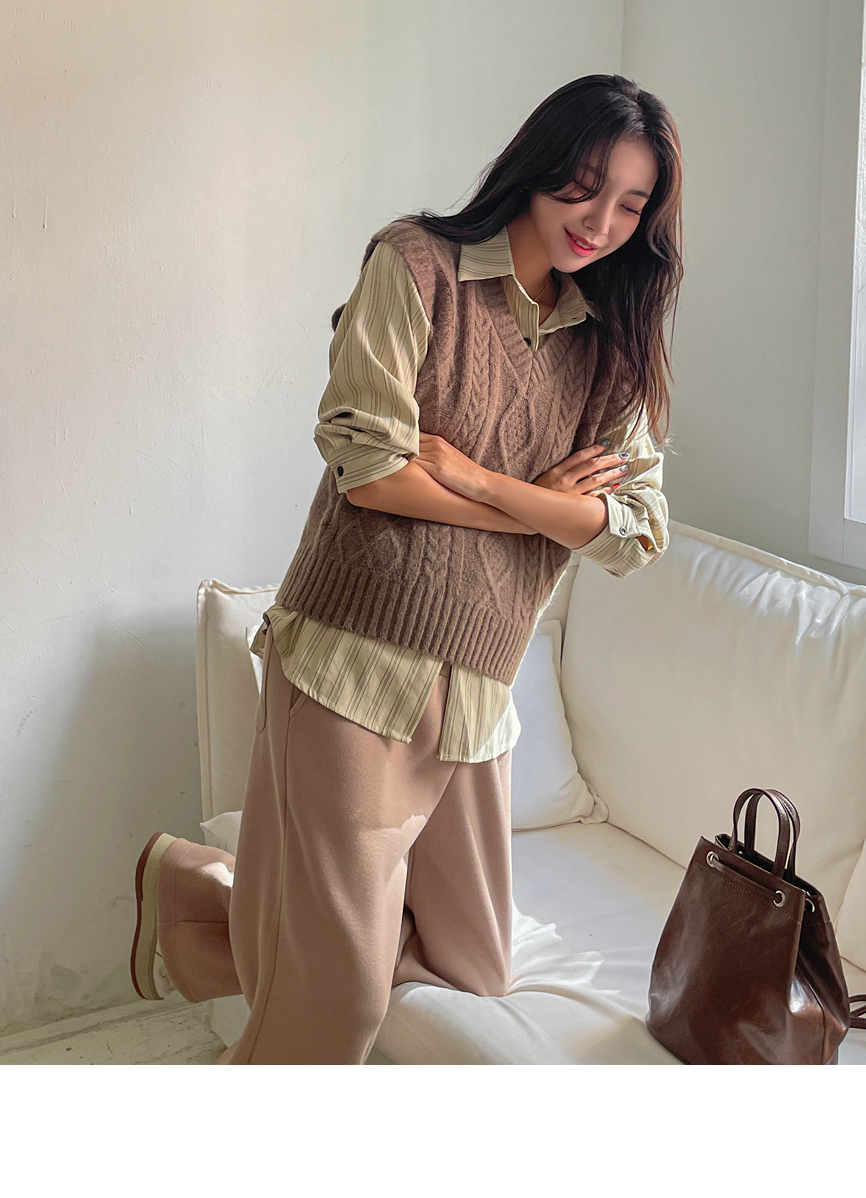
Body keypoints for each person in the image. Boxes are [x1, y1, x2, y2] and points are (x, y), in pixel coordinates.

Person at [129, 72, 684, 1063]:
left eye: (631, 204)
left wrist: (480, 477)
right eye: (585, 185)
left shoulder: (611, 341)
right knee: (334, 1005)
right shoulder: (418, 265)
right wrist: (546, 508)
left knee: (473, 969)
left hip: (478, 691)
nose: (600, 221)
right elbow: (372, 468)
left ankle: (199, 893)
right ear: (539, 164)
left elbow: (635, 533)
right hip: (354, 668)